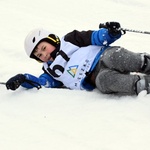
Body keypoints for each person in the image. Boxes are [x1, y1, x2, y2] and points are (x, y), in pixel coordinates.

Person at [5, 21, 150, 95]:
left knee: (114, 57)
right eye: (39, 56)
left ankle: (145, 63)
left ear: (51, 39)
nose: (44, 55)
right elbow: (42, 83)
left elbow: (95, 37)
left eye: (44, 48)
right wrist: (23, 79)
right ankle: (143, 84)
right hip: (97, 77)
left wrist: (110, 33)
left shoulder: (70, 39)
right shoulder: (50, 72)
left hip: (103, 56)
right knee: (104, 82)